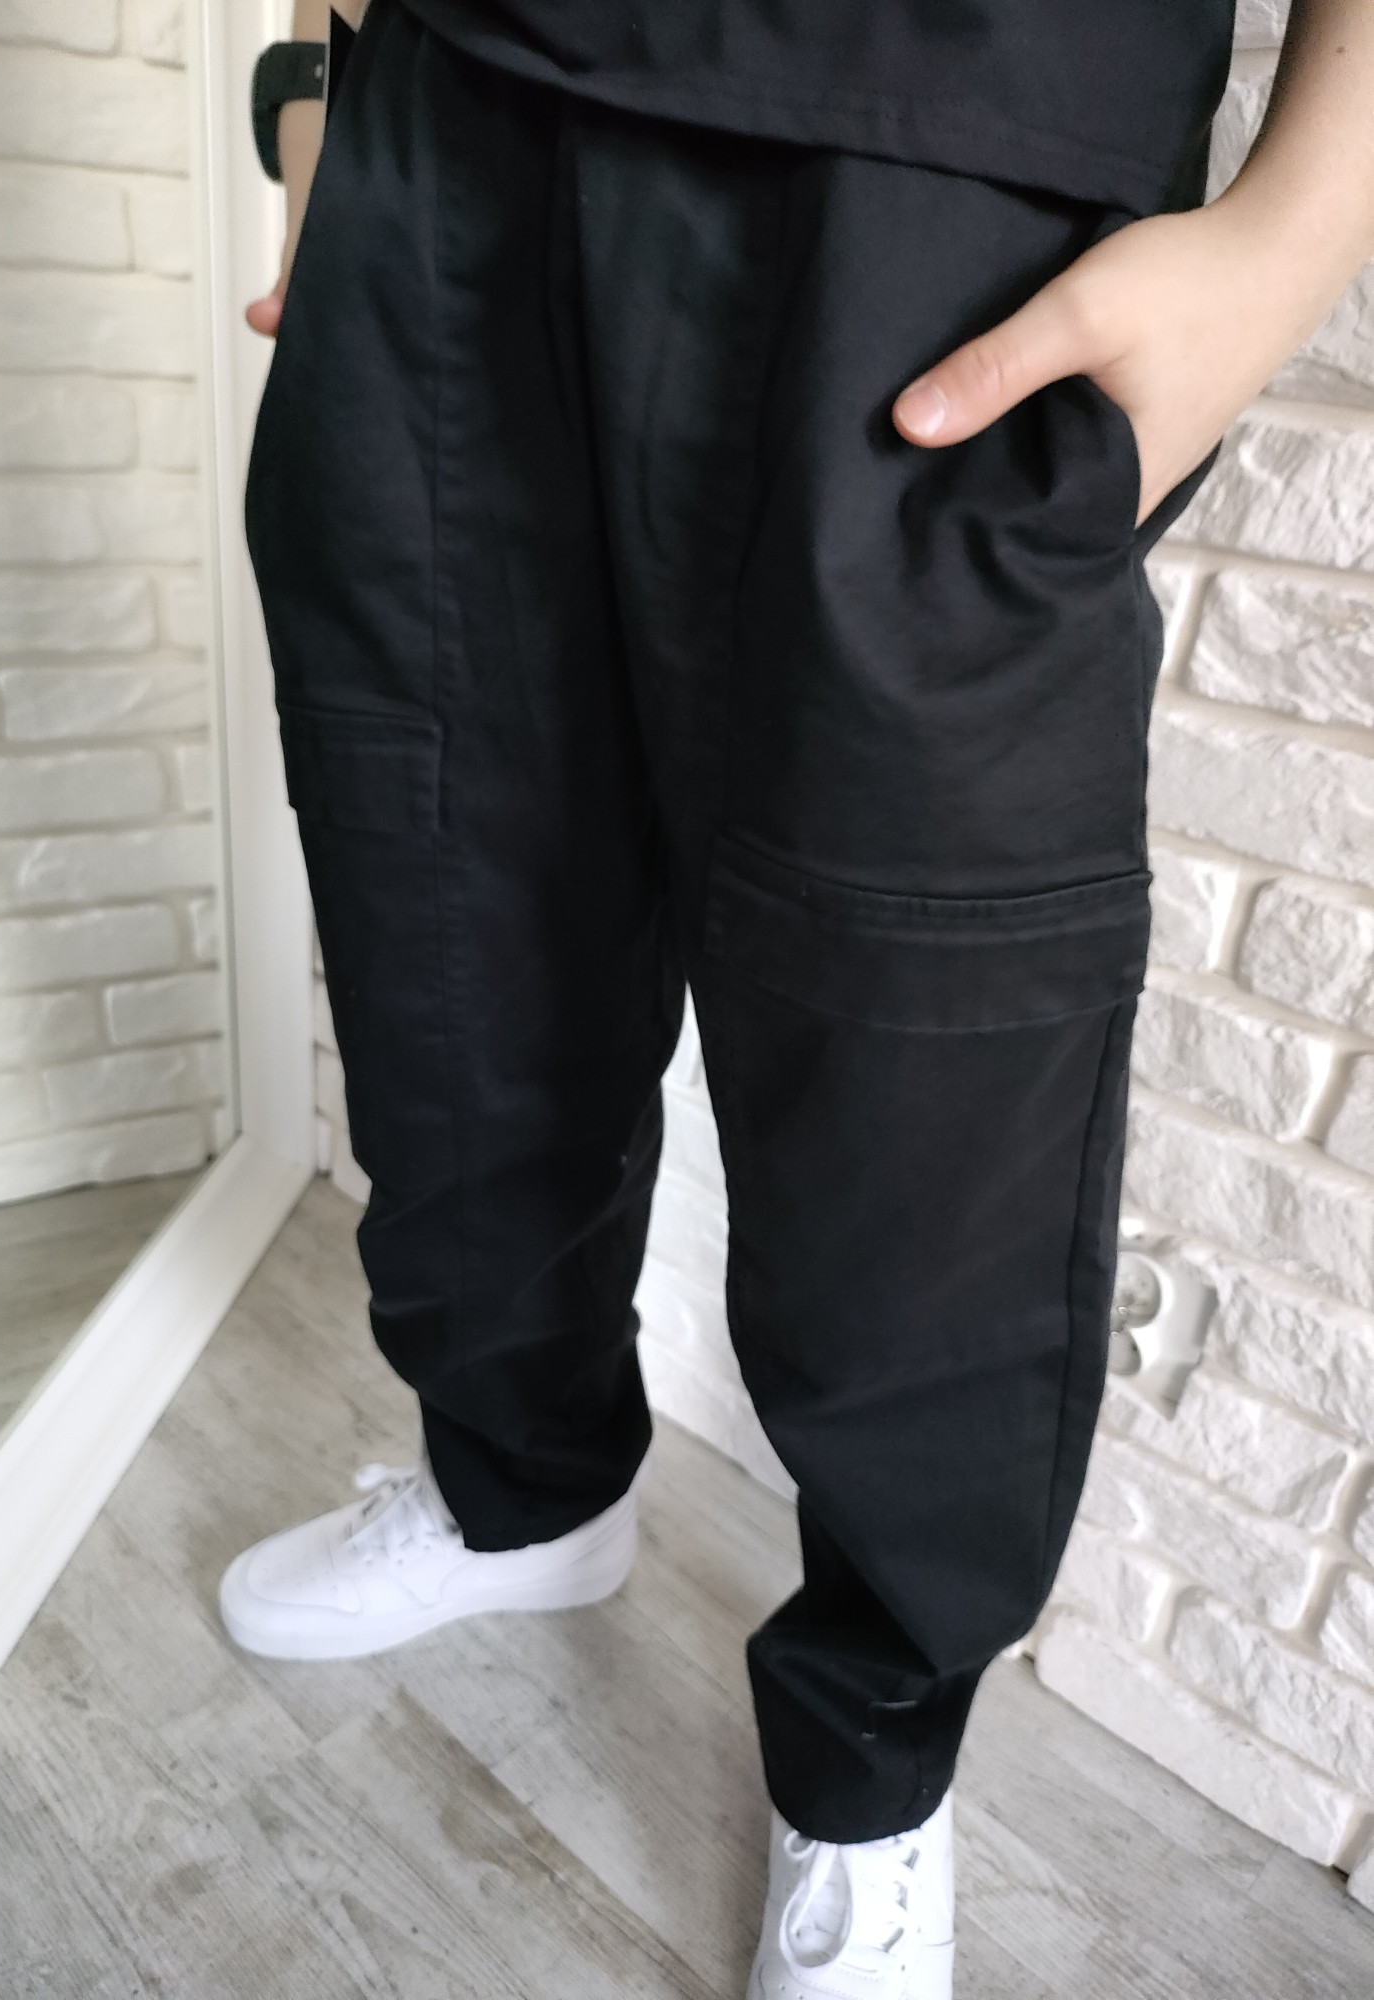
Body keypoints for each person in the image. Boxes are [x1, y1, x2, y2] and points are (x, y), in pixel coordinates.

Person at [221, 4, 1374, 1993]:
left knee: (920, 1078)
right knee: (449, 920)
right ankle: (519, 1492)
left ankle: (870, 1766)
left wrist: (1295, 234)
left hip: (946, 157)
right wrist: (327, 102)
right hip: (448, 123)